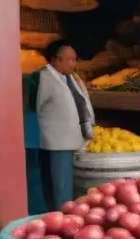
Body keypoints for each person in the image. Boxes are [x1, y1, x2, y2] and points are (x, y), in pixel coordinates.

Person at [31, 40, 95, 211]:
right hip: (57, 141)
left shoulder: (70, 78)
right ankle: (60, 216)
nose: (73, 64)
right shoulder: (44, 78)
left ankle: (64, 213)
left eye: (75, 59)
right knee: (60, 184)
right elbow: (36, 107)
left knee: (66, 182)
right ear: (55, 60)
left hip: (72, 140)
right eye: (69, 59)